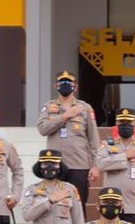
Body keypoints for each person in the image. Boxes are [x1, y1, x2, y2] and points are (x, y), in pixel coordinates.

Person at [37, 71, 101, 205]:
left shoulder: (85, 108)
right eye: (62, 82)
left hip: (79, 165)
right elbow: (42, 129)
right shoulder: (48, 107)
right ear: (56, 86)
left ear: (75, 87)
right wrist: (64, 117)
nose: (65, 84)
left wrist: (95, 165)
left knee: (78, 204)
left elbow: (94, 139)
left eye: (69, 82)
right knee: (57, 205)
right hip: (55, 165)